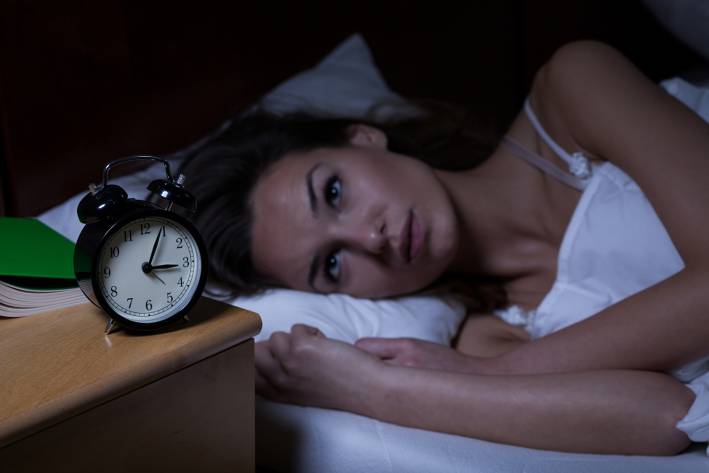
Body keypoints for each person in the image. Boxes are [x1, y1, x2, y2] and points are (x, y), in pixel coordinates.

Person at [181, 40, 709, 456]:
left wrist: (502, 375)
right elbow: (666, 417)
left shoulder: (574, 90)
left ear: (362, 136)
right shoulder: (483, 339)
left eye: (334, 193)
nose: (371, 238)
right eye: (333, 264)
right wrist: (373, 390)